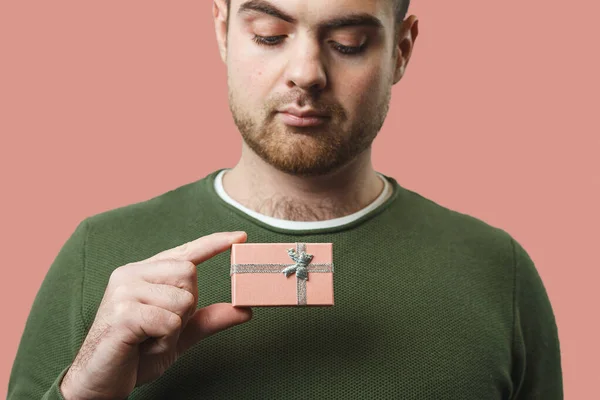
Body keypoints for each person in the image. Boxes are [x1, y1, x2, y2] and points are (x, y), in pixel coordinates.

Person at [8, 0, 563, 398]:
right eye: (270, 34)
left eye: (349, 43)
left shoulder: (497, 268)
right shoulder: (102, 252)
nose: (306, 74)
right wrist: (84, 392)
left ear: (402, 49)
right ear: (223, 30)